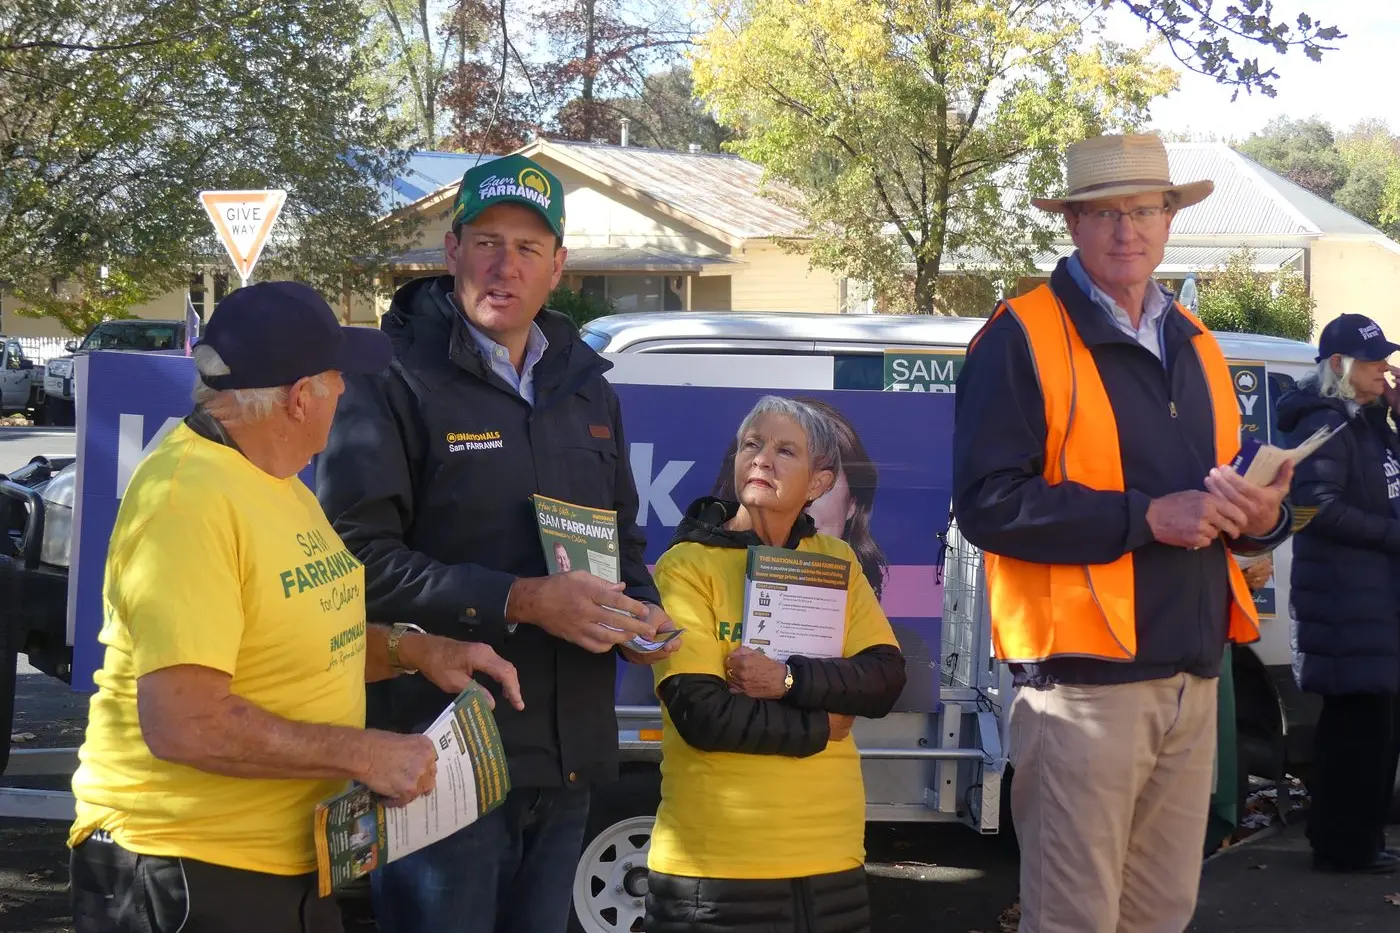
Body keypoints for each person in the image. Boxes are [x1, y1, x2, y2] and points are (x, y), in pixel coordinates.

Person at [67, 281, 524, 933]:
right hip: (188, 868)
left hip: (283, 868)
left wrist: (415, 651)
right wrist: (363, 753)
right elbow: (185, 722)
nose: (347, 390)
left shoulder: (273, 479)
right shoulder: (187, 502)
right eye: (339, 375)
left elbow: (299, 637)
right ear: (301, 395)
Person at [316, 154, 680, 933]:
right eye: (486, 241)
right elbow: (355, 560)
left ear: (558, 266)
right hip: (439, 755)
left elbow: (619, 542)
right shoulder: (390, 382)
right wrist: (519, 600)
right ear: (451, 253)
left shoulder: (590, 389)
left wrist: (641, 617)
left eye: (525, 247)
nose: (503, 264)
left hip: (567, 753)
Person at [951, 133, 1294, 933]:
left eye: (1144, 209)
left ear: (1170, 218)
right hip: (1081, 690)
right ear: (1071, 224)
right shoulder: (1019, 335)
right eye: (1104, 212)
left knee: (1159, 916)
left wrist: (1259, 518)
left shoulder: (1197, 342)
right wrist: (1148, 517)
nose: (1126, 229)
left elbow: (1221, 504)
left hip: (1193, 674)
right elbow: (987, 504)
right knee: (1074, 920)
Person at [645, 395, 907, 933]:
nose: (762, 459)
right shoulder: (687, 564)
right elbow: (703, 714)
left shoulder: (836, 561)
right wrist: (824, 722)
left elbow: (883, 678)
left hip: (831, 855)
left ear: (818, 482)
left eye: (785, 450)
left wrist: (789, 678)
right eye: (751, 445)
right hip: (716, 861)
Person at [1276, 312, 1400, 874]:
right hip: (1346, 601)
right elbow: (1313, 508)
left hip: (1374, 601)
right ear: (1339, 366)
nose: (1385, 371)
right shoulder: (1323, 424)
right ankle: (1342, 847)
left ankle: (1363, 840)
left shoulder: (1370, 421)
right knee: (1357, 730)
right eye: (1373, 362)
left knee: (1378, 729)